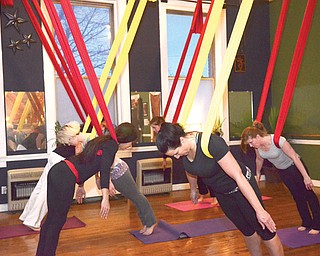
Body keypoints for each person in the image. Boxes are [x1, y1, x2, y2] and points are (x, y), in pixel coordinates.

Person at [156, 122, 284, 256]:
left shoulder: (211, 143)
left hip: (241, 188)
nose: (176, 157)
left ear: (182, 140)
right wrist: (193, 189)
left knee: (265, 230)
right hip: (223, 194)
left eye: (176, 153)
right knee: (247, 231)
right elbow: (191, 170)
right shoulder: (185, 151)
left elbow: (238, 176)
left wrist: (260, 211)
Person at [36, 122, 139, 256]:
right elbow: (105, 170)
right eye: (131, 142)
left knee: (52, 219)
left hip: (59, 171)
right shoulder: (111, 145)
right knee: (57, 220)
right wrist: (105, 199)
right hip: (65, 175)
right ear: (126, 138)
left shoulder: (104, 141)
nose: (130, 146)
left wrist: (80, 186)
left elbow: (90, 162)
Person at [241, 121, 320, 235]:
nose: (251, 145)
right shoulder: (258, 147)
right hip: (282, 170)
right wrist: (257, 174)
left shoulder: (277, 140)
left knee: (308, 194)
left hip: (295, 168)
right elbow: (259, 159)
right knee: (297, 196)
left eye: (251, 142)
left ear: (257, 136)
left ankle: (317, 224)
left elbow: (294, 157)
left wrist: (306, 177)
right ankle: (306, 222)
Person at [19, 121, 85, 231]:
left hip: (54, 156)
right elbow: (79, 156)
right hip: (58, 160)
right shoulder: (75, 139)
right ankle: (32, 221)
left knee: (41, 188)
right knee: (46, 191)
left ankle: (27, 216)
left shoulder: (72, 136)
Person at [76, 156, 157, 236]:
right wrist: (97, 177)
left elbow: (106, 161)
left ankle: (150, 223)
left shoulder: (93, 145)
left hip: (119, 171)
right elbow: (97, 163)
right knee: (134, 198)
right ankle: (146, 223)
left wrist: (109, 181)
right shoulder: (88, 148)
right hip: (112, 173)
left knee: (136, 196)